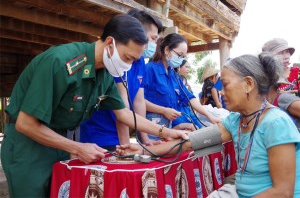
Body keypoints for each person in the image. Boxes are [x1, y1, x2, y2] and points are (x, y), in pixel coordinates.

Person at [1, 14, 188, 197]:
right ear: (109, 43)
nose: (129, 66)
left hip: (59, 141)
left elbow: (123, 113)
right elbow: (25, 124)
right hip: (27, 145)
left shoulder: (105, 73)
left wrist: (166, 132)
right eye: (128, 58)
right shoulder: (59, 62)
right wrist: (77, 148)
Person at [117, 53, 300, 197]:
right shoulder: (236, 121)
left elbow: (282, 193)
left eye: (226, 84)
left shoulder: (276, 123)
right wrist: (142, 151)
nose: (220, 91)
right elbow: (190, 142)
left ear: (248, 84)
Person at [80, 9, 164, 149]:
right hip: (100, 136)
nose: (155, 44)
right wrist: (126, 146)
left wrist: (145, 138)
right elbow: (122, 109)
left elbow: (139, 101)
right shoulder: (118, 60)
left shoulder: (139, 61)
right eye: (153, 38)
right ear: (138, 33)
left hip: (121, 134)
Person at [143, 33, 220, 140]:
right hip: (150, 127)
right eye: (179, 55)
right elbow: (138, 101)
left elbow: (190, 99)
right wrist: (163, 110)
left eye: (183, 56)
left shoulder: (174, 76)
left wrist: (210, 116)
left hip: (169, 127)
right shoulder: (149, 70)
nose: (180, 59)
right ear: (166, 50)